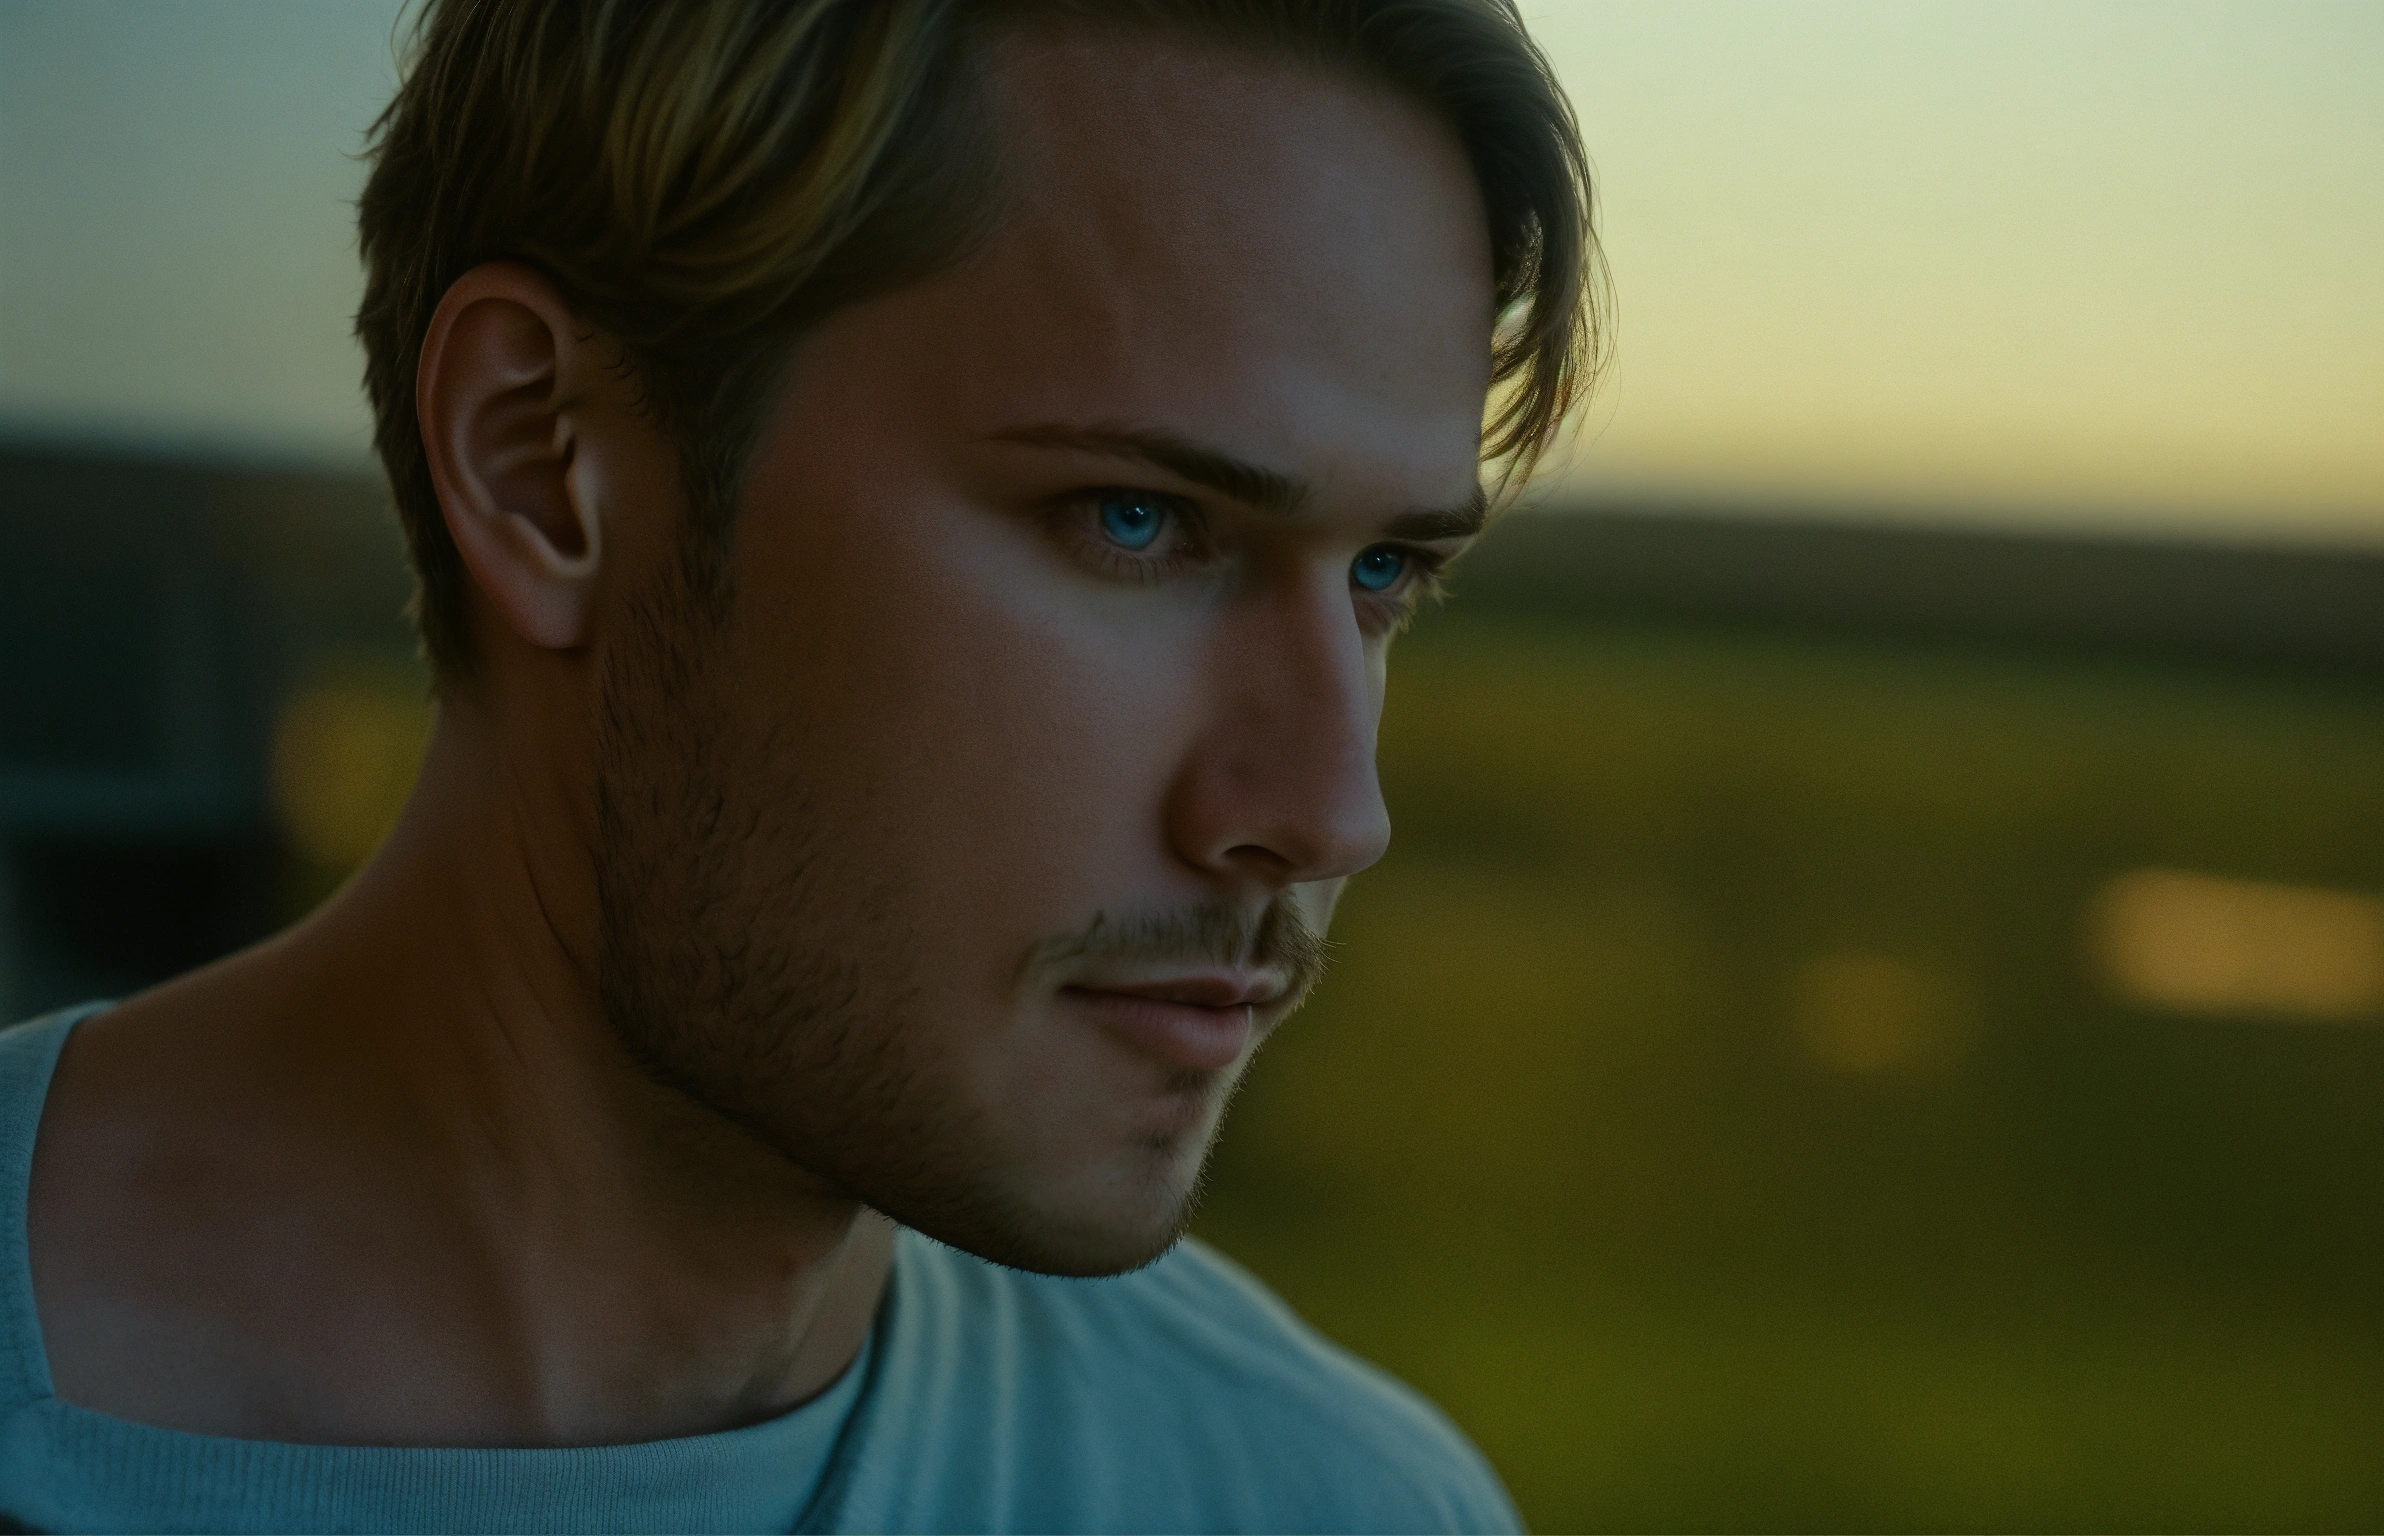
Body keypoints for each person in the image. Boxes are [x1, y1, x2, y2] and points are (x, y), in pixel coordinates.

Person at [0, 0, 1600, 1527]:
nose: (1330, 814)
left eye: (1384, 573)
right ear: (537, 462)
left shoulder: (1332, 1506)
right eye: (1136, 521)